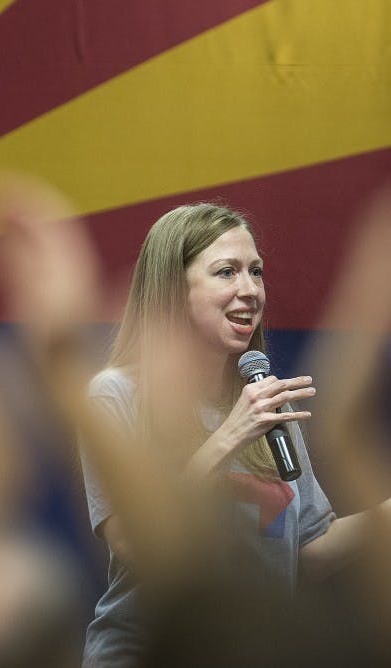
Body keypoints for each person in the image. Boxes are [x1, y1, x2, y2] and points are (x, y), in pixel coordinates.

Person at [79, 203, 337, 666]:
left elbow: (311, 547)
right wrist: (228, 436)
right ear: (172, 290)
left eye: (256, 272)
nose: (250, 290)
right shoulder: (115, 395)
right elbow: (136, 543)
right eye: (226, 272)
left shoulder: (265, 402)